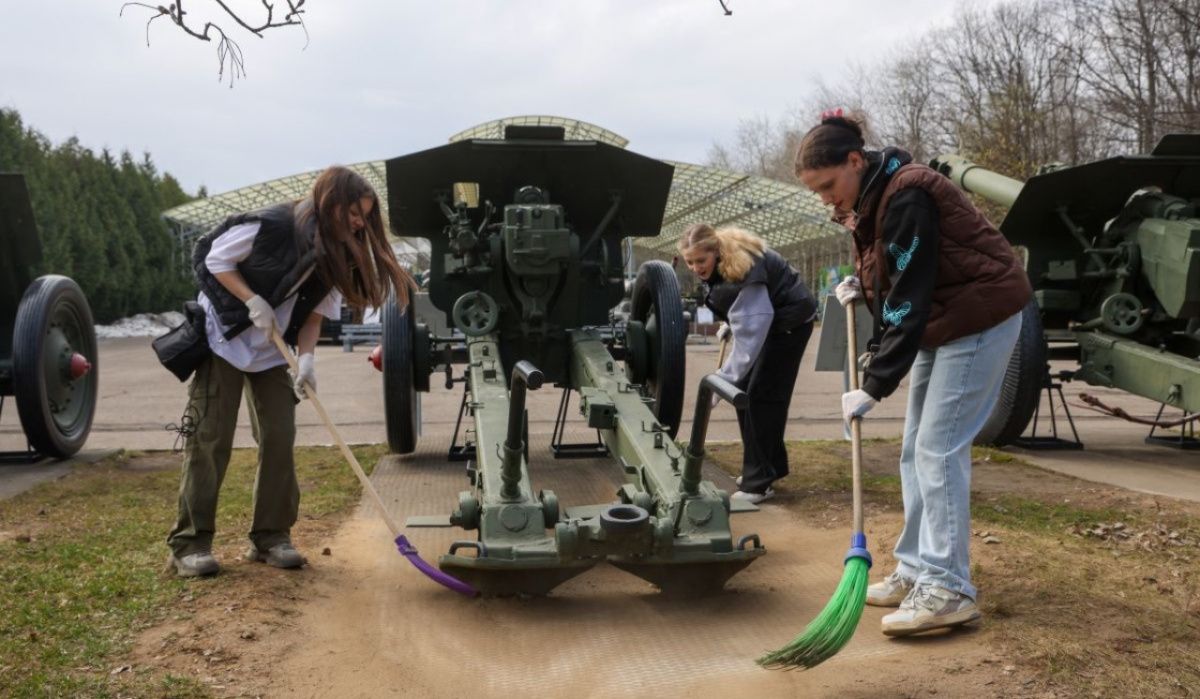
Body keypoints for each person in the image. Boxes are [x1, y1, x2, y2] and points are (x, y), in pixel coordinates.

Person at [795, 111, 1031, 635]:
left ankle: (949, 588)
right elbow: (896, 277)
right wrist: (865, 289)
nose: (826, 199)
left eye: (828, 185)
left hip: (978, 316)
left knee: (938, 449)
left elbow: (911, 292)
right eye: (817, 192)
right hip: (943, 321)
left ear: (854, 161)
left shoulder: (907, 195)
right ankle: (918, 567)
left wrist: (874, 384)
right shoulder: (872, 197)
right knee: (914, 449)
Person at [167, 166, 412, 577]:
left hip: (270, 349)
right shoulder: (273, 225)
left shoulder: (336, 254)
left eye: (365, 217)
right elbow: (215, 259)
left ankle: (271, 536)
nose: (359, 223)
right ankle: (189, 544)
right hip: (223, 337)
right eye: (355, 212)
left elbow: (314, 314)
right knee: (210, 439)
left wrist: (308, 359)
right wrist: (251, 301)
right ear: (332, 201)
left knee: (279, 436)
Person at [678, 224, 818, 504]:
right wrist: (732, 323)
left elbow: (753, 330)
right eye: (689, 262)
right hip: (773, 319)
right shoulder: (726, 258)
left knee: (761, 397)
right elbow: (746, 311)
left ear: (716, 251)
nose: (695, 268)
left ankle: (759, 484)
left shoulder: (743, 267)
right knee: (744, 391)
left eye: (701, 260)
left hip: (789, 324)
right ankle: (768, 467)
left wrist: (722, 380)